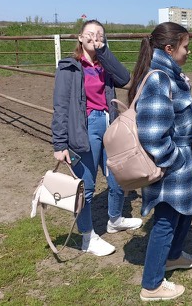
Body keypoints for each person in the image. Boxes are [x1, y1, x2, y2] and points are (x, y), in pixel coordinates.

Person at [51, 19, 142, 257]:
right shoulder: (69, 67)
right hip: (85, 128)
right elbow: (60, 107)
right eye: (90, 34)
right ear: (80, 38)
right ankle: (87, 238)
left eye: (99, 34)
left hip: (109, 125)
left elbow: (124, 79)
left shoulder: (105, 65)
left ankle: (114, 219)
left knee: (118, 177)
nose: (94, 37)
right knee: (87, 186)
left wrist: (104, 52)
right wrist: (59, 144)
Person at [128, 22, 192, 302]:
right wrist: (175, 159)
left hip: (181, 160)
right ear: (170, 49)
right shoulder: (158, 79)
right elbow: (152, 135)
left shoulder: (171, 75)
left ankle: (172, 257)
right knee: (165, 220)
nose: (189, 52)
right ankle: (151, 286)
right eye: (185, 47)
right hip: (172, 165)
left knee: (184, 211)